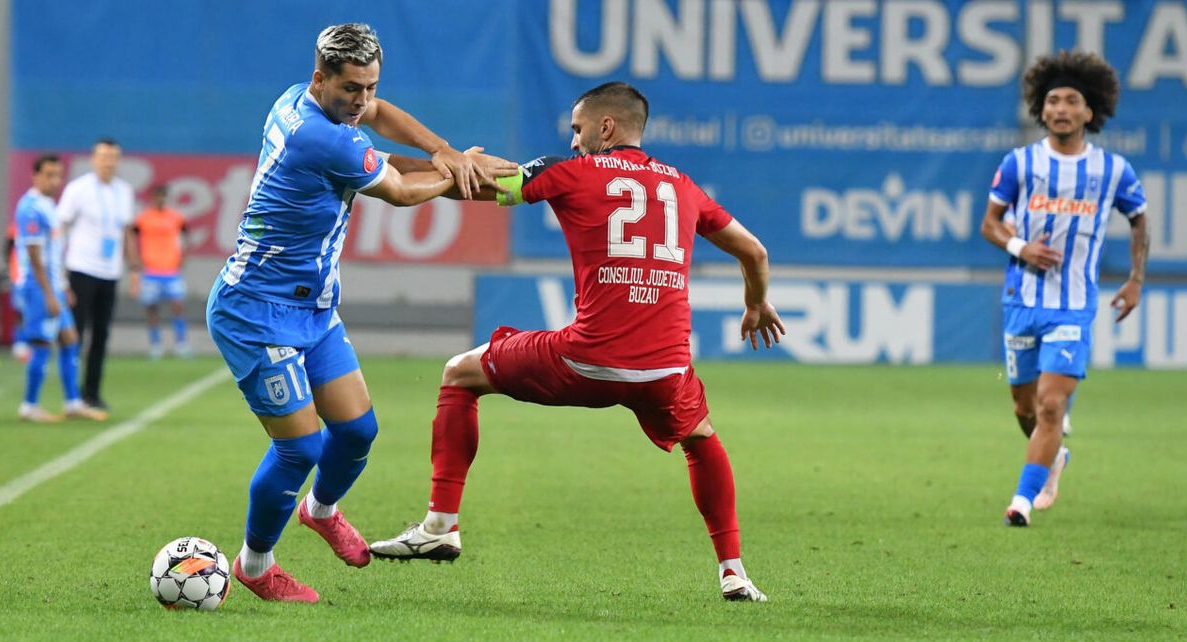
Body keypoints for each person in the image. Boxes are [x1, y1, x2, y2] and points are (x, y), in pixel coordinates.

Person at [368, 82, 786, 603]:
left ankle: (439, 526)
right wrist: (756, 303)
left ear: (605, 127)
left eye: (578, 128)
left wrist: (376, 164)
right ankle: (734, 572)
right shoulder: (683, 186)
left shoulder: (571, 173)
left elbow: (472, 185)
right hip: (664, 372)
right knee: (701, 439)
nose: (572, 141)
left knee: (459, 372)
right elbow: (755, 252)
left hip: (585, 360)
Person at [207, 22, 516, 603]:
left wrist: (442, 151)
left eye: (370, 86)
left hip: (316, 310)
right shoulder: (319, 138)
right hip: (255, 310)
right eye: (352, 88)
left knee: (355, 431)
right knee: (300, 447)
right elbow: (399, 191)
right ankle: (254, 565)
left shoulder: (306, 101)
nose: (363, 100)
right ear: (321, 78)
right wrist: (456, 169)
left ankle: (321, 512)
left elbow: (379, 120)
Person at [979, 51, 1148, 527]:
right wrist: (1020, 246)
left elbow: (1139, 222)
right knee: (1024, 407)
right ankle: (1054, 458)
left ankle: (1021, 501)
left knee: (1052, 405)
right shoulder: (1019, 163)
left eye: (1072, 101)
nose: (1060, 109)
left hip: (1073, 308)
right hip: (1022, 303)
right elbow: (989, 224)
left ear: (1089, 112)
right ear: (1041, 109)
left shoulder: (1113, 171)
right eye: (1052, 100)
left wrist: (1135, 279)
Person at [13, 154, 108, 423]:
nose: (55, 180)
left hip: (53, 286)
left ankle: (73, 402)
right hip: (37, 287)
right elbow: (34, 256)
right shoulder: (30, 208)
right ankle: (29, 406)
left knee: (70, 339)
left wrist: (63, 286)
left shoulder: (48, 206)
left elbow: (54, 253)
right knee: (42, 344)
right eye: (49, 175)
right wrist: (48, 293)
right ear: (36, 176)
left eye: (58, 175)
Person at [57, 137, 138, 411]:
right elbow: (60, 227)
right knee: (75, 332)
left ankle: (92, 391)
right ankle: (71, 393)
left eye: (113, 156)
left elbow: (127, 232)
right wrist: (59, 269)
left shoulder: (124, 191)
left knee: (101, 335)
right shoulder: (78, 189)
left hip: (110, 271)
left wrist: (134, 268)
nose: (108, 161)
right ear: (93, 158)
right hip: (81, 268)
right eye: (103, 156)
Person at [133, 184, 189, 359]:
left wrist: (182, 256)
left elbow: (185, 235)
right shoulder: (143, 219)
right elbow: (130, 235)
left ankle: (181, 343)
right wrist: (136, 261)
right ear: (152, 198)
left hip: (171, 269)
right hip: (151, 269)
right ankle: (156, 344)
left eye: (163, 196)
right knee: (151, 308)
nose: (160, 200)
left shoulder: (175, 218)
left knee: (178, 306)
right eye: (158, 196)